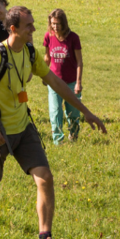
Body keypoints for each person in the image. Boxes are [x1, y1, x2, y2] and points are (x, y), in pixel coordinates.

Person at [0, 6, 106, 239]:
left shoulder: (29, 52)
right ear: (13, 29)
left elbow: (56, 82)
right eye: (28, 25)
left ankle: (45, 237)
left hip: (23, 126)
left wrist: (86, 112)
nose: (34, 29)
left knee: (45, 178)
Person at [43, 10, 85, 143]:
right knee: (55, 112)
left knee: (73, 113)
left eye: (58, 24)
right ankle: (58, 141)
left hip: (71, 82)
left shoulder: (73, 38)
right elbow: (47, 57)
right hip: (54, 82)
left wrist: (78, 83)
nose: (55, 27)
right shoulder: (48, 36)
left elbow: (79, 61)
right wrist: (44, 75)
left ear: (64, 23)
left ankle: (73, 137)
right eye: (53, 23)